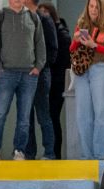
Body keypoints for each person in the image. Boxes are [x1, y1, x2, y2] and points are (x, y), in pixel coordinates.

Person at [0, 0, 45, 160]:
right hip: (7, 74)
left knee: (24, 118)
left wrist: (38, 67)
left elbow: (40, 44)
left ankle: (19, 151)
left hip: (29, 75)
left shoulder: (33, 17)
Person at [70, 0, 104, 160]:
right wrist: (77, 39)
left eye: (96, 7)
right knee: (83, 115)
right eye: (91, 6)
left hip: (101, 68)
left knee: (102, 113)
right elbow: (71, 49)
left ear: (102, 8)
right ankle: (86, 155)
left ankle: (101, 155)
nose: (93, 9)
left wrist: (94, 45)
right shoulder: (82, 24)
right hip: (82, 71)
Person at [22, 0, 59, 160]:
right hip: (23, 75)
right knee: (25, 117)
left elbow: (53, 48)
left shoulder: (45, 19)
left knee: (43, 115)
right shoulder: (20, 18)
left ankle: (49, 153)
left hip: (41, 74)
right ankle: (29, 153)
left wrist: (39, 67)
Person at [39, 2, 70, 153]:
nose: (42, 17)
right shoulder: (42, 33)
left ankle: (54, 153)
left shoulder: (62, 33)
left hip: (57, 83)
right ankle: (51, 151)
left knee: (53, 118)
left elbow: (63, 61)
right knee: (48, 118)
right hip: (47, 81)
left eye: (45, 13)